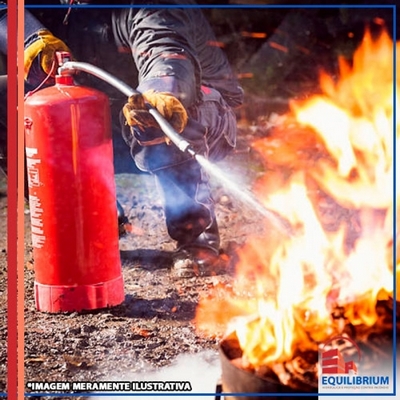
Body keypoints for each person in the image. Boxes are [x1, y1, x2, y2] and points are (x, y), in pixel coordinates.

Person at [1, 0, 244, 276]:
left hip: (200, 110)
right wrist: (27, 35)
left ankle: (196, 238)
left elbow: (164, 48)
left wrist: (163, 90)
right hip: (102, 115)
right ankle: (91, 226)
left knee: (155, 110)